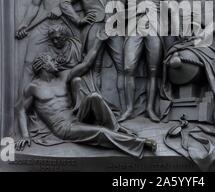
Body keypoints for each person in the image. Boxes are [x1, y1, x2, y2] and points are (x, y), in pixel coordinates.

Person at [15, 31, 157, 158]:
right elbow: (20, 109)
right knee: (100, 132)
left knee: (94, 96)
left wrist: (98, 41)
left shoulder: (63, 76)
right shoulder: (33, 87)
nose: (56, 61)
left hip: (76, 116)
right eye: (52, 61)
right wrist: (25, 136)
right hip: (64, 128)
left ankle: (117, 130)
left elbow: (86, 64)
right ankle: (141, 143)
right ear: (44, 66)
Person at [60, 0, 126, 109]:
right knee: (94, 66)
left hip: (114, 27)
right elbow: (65, 2)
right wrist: (78, 19)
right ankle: (98, 105)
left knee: (122, 66)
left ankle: (125, 109)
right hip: (94, 27)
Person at [119, 0, 170, 122]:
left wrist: (167, 3)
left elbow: (170, 14)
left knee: (153, 71)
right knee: (128, 68)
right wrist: (138, 9)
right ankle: (128, 109)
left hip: (154, 30)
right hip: (133, 29)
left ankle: (150, 108)